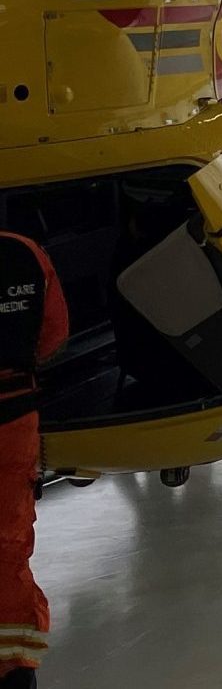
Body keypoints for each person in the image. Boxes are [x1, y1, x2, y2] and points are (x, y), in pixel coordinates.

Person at [0, 231, 65, 688]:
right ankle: (15, 671)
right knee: (8, 547)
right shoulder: (22, 252)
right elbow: (53, 334)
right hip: (12, 416)